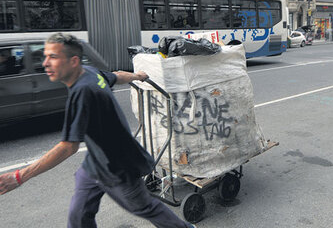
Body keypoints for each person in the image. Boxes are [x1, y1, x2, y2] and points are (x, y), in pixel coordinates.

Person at [0, 33, 195, 228]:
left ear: (73, 61)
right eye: (46, 56)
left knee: (145, 208)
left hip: (119, 167)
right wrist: (137, 76)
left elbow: (68, 147)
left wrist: (19, 176)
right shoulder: (89, 72)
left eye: (53, 57)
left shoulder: (83, 92)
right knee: (79, 216)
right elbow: (116, 76)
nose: (45, 63)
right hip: (95, 163)